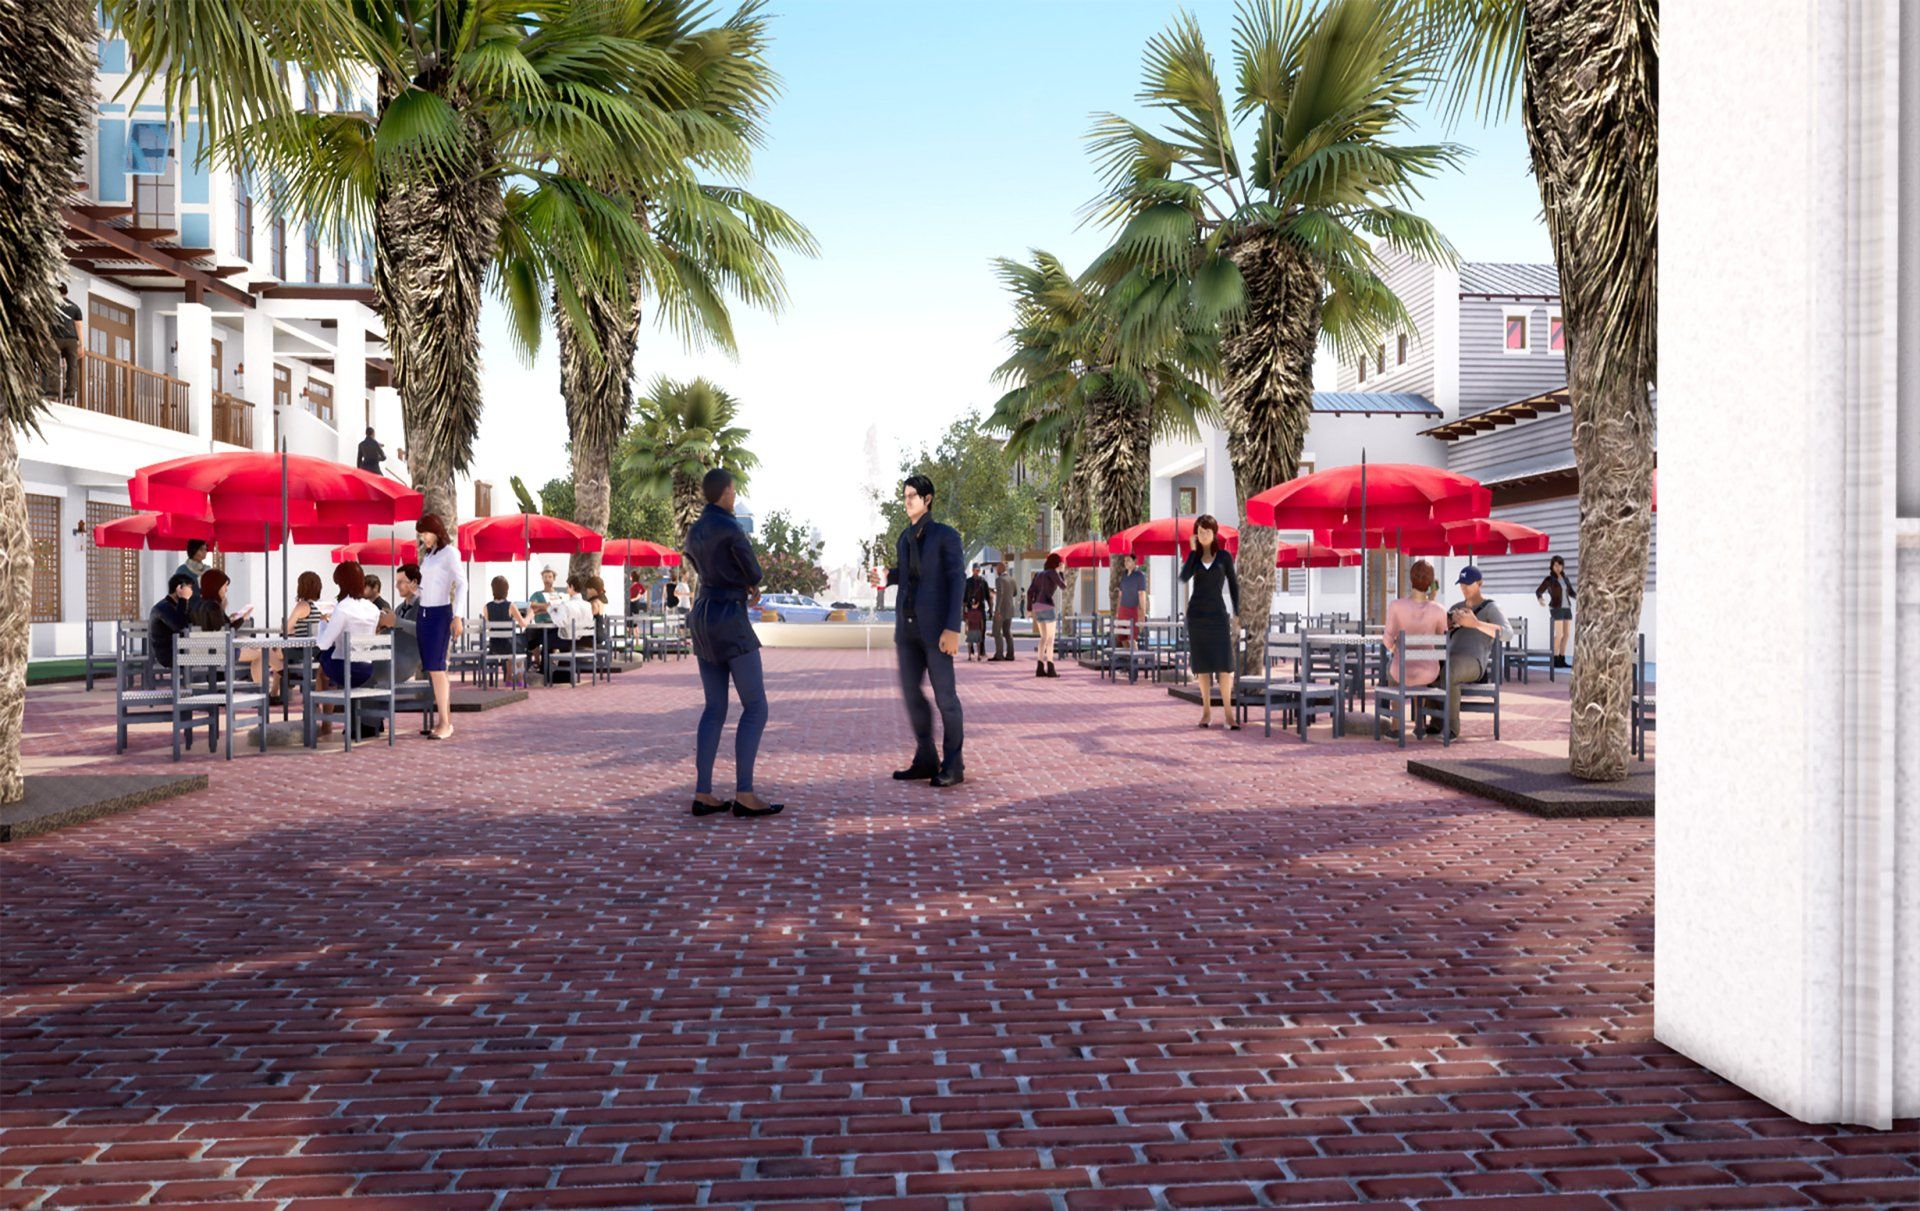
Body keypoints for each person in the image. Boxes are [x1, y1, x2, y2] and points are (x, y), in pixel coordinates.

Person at [685, 468, 782, 818]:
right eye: (734, 489)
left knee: (714, 708)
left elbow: (701, 565)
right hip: (729, 617)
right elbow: (753, 571)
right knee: (756, 707)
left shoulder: (693, 531)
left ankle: (703, 793)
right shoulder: (731, 526)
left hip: (702, 616)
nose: (735, 495)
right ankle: (744, 792)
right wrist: (748, 585)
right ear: (726, 492)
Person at [869, 473, 966, 787]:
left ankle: (954, 763)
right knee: (912, 694)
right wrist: (888, 576)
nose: (907, 500)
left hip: (937, 631)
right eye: (905, 495)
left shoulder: (945, 536)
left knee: (946, 698)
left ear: (928, 499)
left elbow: (956, 580)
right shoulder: (903, 538)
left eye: (913, 495)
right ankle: (926, 757)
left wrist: (953, 627)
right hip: (906, 630)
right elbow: (909, 575)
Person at [1435, 566, 1511, 741]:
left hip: (1474, 663)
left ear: (1480, 583)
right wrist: (1450, 622)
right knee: (1431, 665)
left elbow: (1507, 633)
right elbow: (1438, 629)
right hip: (1450, 657)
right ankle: (1435, 722)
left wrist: (1476, 624)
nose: (1464, 588)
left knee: (1450, 670)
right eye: (1461, 584)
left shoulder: (1491, 608)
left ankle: (1451, 728)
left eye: (1468, 584)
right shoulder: (1456, 607)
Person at [1180, 516, 1240, 730]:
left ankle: (1229, 715)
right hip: (1197, 616)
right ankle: (1206, 712)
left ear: (1214, 533)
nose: (1204, 534)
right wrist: (1191, 552)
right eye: (1200, 531)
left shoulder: (1224, 557)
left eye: (1207, 531)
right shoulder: (1194, 558)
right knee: (1202, 667)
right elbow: (1183, 577)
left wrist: (1237, 614)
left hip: (1218, 616)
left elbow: (1234, 586)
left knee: (1225, 666)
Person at [413, 513, 465, 741]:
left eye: (425, 532)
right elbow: (428, 588)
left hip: (439, 614)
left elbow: (462, 583)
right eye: (421, 534)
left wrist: (458, 615)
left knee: (437, 668)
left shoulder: (450, 553)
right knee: (432, 670)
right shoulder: (430, 556)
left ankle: (446, 723)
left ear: (436, 530)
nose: (423, 537)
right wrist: (415, 591)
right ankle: (442, 720)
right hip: (423, 613)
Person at [314, 561, 382, 690]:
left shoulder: (342, 608)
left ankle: (326, 708)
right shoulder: (373, 609)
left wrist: (323, 622)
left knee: (325, 657)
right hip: (366, 670)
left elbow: (323, 644)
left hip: (344, 670)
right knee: (332, 657)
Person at [1382, 559, 1447, 687]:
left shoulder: (1395, 606)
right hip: (1428, 672)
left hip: (1400, 671)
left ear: (1411, 580)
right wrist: (1432, 598)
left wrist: (1396, 650)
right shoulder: (1439, 609)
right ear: (1431, 583)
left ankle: (1396, 705)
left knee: (1392, 669)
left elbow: (1387, 641)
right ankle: (1420, 706)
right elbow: (1442, 638)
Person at [1025, 554, 1066, 678]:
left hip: (1037, 606)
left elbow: (1029, 592)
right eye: (1062, 563)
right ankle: (1051, 667)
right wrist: (1062, 572)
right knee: (1050, 639)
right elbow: (1063, 586)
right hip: (1047, 605)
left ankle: (1039, 667)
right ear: (1058, 564)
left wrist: (1029, 608)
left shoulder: (1038, 574)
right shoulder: (1053, 572)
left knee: (1043, 638)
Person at [147, 572, 196, 670]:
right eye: (189, 588)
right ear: (179, 588)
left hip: (179, 650)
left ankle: (205, 682)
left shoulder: (175, 606)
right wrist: (184, 599)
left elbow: (189, 623)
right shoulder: (163, 607)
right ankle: (200, 683)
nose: (191, 592)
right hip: (168, 655)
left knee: (210, 653)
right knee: (210, 657)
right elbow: (180, 626)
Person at [1534, 555, 1576, 668]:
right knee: (1559, 635)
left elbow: (1571, 592)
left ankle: (1562, 659)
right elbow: (1538, 591)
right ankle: (1555, 659)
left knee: (1566, 635)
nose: (1558, 567)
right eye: (1556, 565)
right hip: (1556, 608)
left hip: (1567, 608)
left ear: (1562, 566)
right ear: (1552, 566)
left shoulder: (1565, 579)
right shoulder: (1549, 579)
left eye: (1560, 565)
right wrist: (1540, 599)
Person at [526, 566, 559, 673]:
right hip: (539, 625)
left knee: (557, 635)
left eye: (550, 577)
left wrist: (542, 608)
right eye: (545, 577)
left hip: (555, 625)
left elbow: (560, 608)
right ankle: (537, 661)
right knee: (530, 633)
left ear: (554, 578)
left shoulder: (559, 595)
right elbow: (531, 606)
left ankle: (553, 661)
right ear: (542, 578)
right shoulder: (537, 594)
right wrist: (546, 606)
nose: (547, 579)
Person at [52, 283, 82, 403]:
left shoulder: (52, 305)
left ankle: (51, 390)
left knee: (53, 362)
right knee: (72, 366)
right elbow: (79, 326)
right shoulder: (75, 307)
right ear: (66, 292)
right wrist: (81, 345)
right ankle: (70, 392)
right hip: (72, 339)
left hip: (56, 337)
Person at [1115, 553, 1148, 648]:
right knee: (1122, 637)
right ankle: (1128, 658)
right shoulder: (1124, 576)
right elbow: (1120, 595)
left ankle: (1136, 660)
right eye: (1125, 561)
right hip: (1122, 610)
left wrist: (1142, 613)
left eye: (1128, 560)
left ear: (1134, 562)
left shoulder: (1139, 576)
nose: (1126, 562)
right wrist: (1118, 611)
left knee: (1132, 637)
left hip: (1133, 610)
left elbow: (1142, 594)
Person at [962, 563, 992, 662]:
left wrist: (990, 609)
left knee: (982, 630)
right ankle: (971, 650)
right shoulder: (968, 582)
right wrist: (964, 610)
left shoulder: (983, 582)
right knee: (970, 629)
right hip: (970, 608)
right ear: (973, 570)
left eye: (978, 570)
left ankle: (982, 650)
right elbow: (964, 597)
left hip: (981, 608)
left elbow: (988, 596)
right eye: (975, 569)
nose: (977, 571)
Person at [991, 562, 1019, 661]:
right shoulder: (1012, 579)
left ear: (1000, 569)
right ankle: (1010, 655)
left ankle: (999, 654)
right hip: (1010, 609)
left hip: (1001, 610)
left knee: (996, 632)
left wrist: (997, 610)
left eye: (997, 569)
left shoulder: (999, 580)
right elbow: (1015, 593)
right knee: (1007, 632)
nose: (996, 571)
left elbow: (1000, 595)